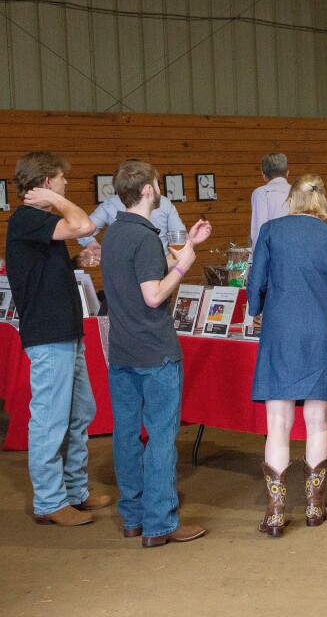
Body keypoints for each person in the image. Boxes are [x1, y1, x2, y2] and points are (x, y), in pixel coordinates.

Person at [246, 174, 327, 536]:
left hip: (280, 332)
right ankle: (315, 506)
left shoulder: (270, 231)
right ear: (321, 200)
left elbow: (257, 282)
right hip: (323, 333)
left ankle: (276, 513)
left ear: (292, 200)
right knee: (318, 422)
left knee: (277, 425)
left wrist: (255, 308)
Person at [101, 159, 211, 547]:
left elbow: (145, 270)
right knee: (162, 438)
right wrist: (183, 266)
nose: (161, 187)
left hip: (122, 353)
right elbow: (153, 294)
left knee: (127, 436)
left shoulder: (114, 233)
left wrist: (187, 246)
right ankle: (161, 524)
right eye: (159, 183)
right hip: (155, 352)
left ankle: (133, 518)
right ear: (148, 189)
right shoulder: (146, 236)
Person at [5, 151, 110, 527]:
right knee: (50, 419)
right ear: (47, 182)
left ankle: (74, 491)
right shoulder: (29, 217)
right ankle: (50, 502)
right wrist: (58, 202)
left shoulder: (38, 224)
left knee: (80, 412)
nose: (67, 184)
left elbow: (41, 268)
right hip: (49, 335)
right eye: (62, 180)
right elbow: (82, 225)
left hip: (65, 330)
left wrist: (75, 264)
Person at [76, 182, 186, 263]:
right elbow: (180, 235)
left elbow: (82, 230)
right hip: (160, 265)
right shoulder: (164, 202)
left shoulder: (110, 203)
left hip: (123, 268)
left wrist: (91, 244)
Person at [250, 152, 290, 247]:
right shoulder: (299, 191)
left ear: (264, 176)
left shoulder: (261, 193)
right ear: (287, 173)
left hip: (274, 252)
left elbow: (259, 230)